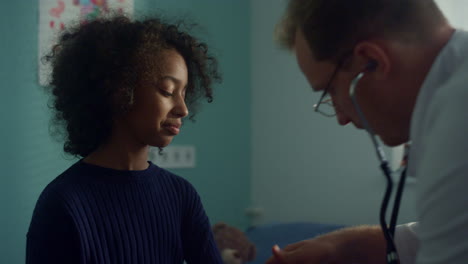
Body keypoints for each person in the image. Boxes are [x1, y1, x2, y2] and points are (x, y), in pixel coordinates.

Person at [267, 0, 468, 263]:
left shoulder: (457, 124)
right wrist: (336, 248)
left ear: (373, 61)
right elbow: (447, 237)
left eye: (332, 92)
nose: (341, 118)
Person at [27, 14, 223, 264]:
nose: (183, 109)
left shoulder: (181, 195)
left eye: (184, 93)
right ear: (120, 90)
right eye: (167, 91)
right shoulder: (62, 203)